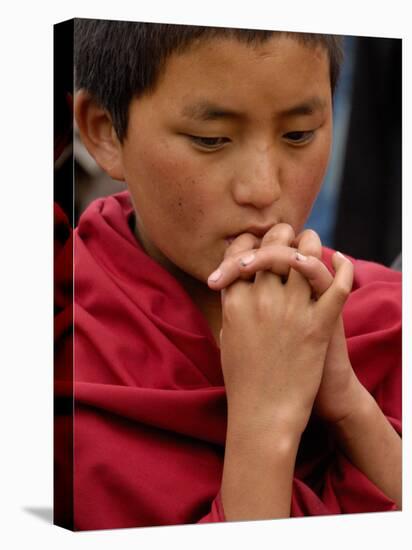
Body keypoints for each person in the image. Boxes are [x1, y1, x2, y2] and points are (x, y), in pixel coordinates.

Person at [55, 19, 402, 531]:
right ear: (106, 130)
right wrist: (266, 425)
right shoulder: (62, 343)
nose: (263, 189)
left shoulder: (385, 313)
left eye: (299, 134)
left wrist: (350, 404)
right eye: (211, 139)